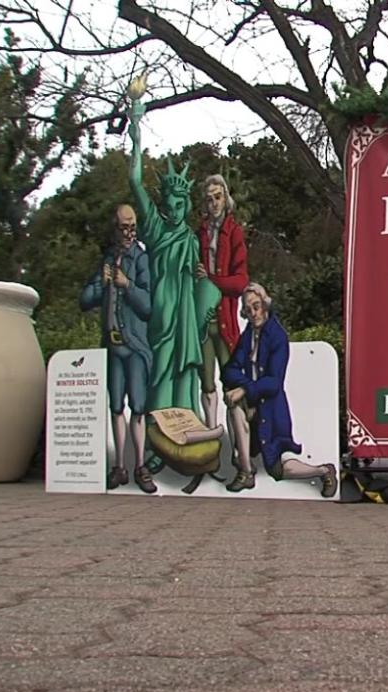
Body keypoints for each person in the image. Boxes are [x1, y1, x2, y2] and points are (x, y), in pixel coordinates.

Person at [127, 95, 218, 418]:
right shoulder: (154, 228)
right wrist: (136, 131)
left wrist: (203, 283)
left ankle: (186, 429)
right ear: (163, 204)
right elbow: (135, 181)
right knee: (161, 372)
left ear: (186, 205)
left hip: (185, 316)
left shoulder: (191, 238)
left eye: (180, 204)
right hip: (162, 316)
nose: (174, 209)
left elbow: (198, 279)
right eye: (169, 203)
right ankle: (157, 436)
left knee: (186, 374)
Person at [222, 282, 338, 497]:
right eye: (248, 310)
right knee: (233, 403)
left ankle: (324, 470)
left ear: (265, 305)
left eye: (256, 306)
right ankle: (246, 471)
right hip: (252, 405)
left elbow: (274, 382)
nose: (253, 313)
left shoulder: (277, 336)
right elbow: (229, 370)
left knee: (280, 468)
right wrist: (244, 389)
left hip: (271, 411)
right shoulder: (247, 337)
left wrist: (245, 390)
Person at [79, 205, 153, 491]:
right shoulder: (108, 260)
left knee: (138, 405)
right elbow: (85, 300)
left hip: (134, 345)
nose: (129, 232)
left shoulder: (141, 259)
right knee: (115, 405)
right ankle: (119, 466)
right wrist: (103, 284)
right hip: (112, 345)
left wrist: (128, 285)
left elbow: (148, 306)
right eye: (124, 227)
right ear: (115, 228)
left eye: (132, 226)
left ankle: (140, 466)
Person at [196, 174, 248, 430]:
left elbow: (240, 282)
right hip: (204, 323)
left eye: (218, 197)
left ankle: (240, 447)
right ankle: (210, 437)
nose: (214, 203)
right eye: (209, 199)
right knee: (206, 383)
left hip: (226, 320)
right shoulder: (200, 234)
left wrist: (212, 280)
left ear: (226, 199)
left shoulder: (234, 232)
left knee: (232, 384)